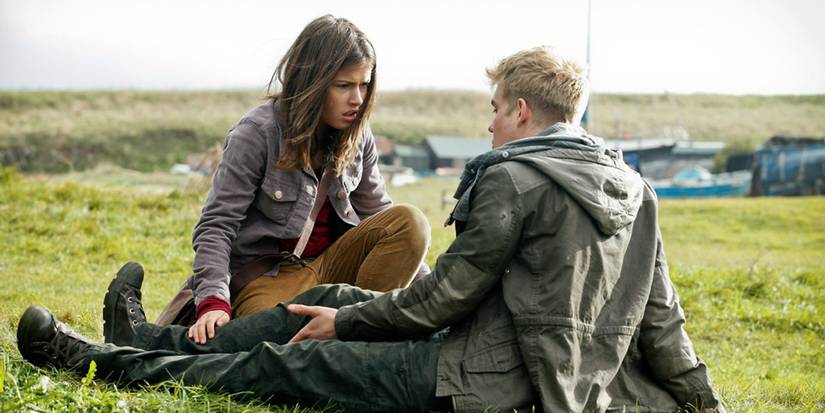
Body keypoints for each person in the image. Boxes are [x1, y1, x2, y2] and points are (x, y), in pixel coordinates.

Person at [18, 46, 725, 413]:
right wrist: (705, 400)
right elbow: (662, 318)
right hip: (479, 347)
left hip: (477, 380)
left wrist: (350, 325)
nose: (488, 124)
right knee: (319, 305)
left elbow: (444, 298)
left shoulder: (514, 177)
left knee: (288, 361)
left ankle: (93, 361)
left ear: (518, 110)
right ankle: (145, 339)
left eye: (493, 108)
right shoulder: (637, 188)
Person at [102, 15, 431, 347]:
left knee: (410, 222)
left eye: (364, 85)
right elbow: (217, 225)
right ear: (313, 83)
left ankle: (357, 337)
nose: (357, 99)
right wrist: (213, 301)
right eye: (344, 86)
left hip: (331, 269)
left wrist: (433, 301)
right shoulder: (257, 133)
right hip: (264, 279)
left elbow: (383, 222)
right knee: (274, 340)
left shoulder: (359, 138)